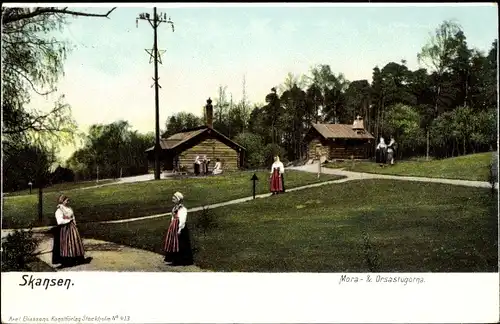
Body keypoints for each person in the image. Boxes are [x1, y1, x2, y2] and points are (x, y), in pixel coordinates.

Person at [53, 194, 91, 268]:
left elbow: (73, 216)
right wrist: (68, 220)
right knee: (67, 245)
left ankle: (78, 259)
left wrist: (74, 223)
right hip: (64, 229)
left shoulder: (69, 208)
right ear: (62, 201)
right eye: (67, 200)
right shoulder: (59, 210)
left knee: (75, 243)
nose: (68, 202)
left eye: (68, 200)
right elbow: (59, 221)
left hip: (72, 228)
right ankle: (67, 261)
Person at [164, 192, 194, 266]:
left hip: (180, 228)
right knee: (173, 243)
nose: (173, 199)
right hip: (173, 227)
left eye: (174, 198)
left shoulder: (183, 209)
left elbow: (182, 220)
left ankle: (182, 260)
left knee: (181, 243)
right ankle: (173, 259)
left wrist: (179, 229)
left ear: (178, 199)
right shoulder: (175, 208)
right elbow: (173, 217)